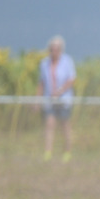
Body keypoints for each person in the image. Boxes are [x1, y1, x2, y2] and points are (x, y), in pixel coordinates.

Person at [36, 35, 76, 163]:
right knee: (49, 124)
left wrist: (59, 92)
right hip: (49, 100)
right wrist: (38, 99)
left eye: (56, 49)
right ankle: (48, 152)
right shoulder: (44, 63)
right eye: (52, 49)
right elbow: (41, 82)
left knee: (65, 125)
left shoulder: (67, 61)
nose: (54, 51)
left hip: (64, 100)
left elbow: (71, 79)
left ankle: (67, 152)